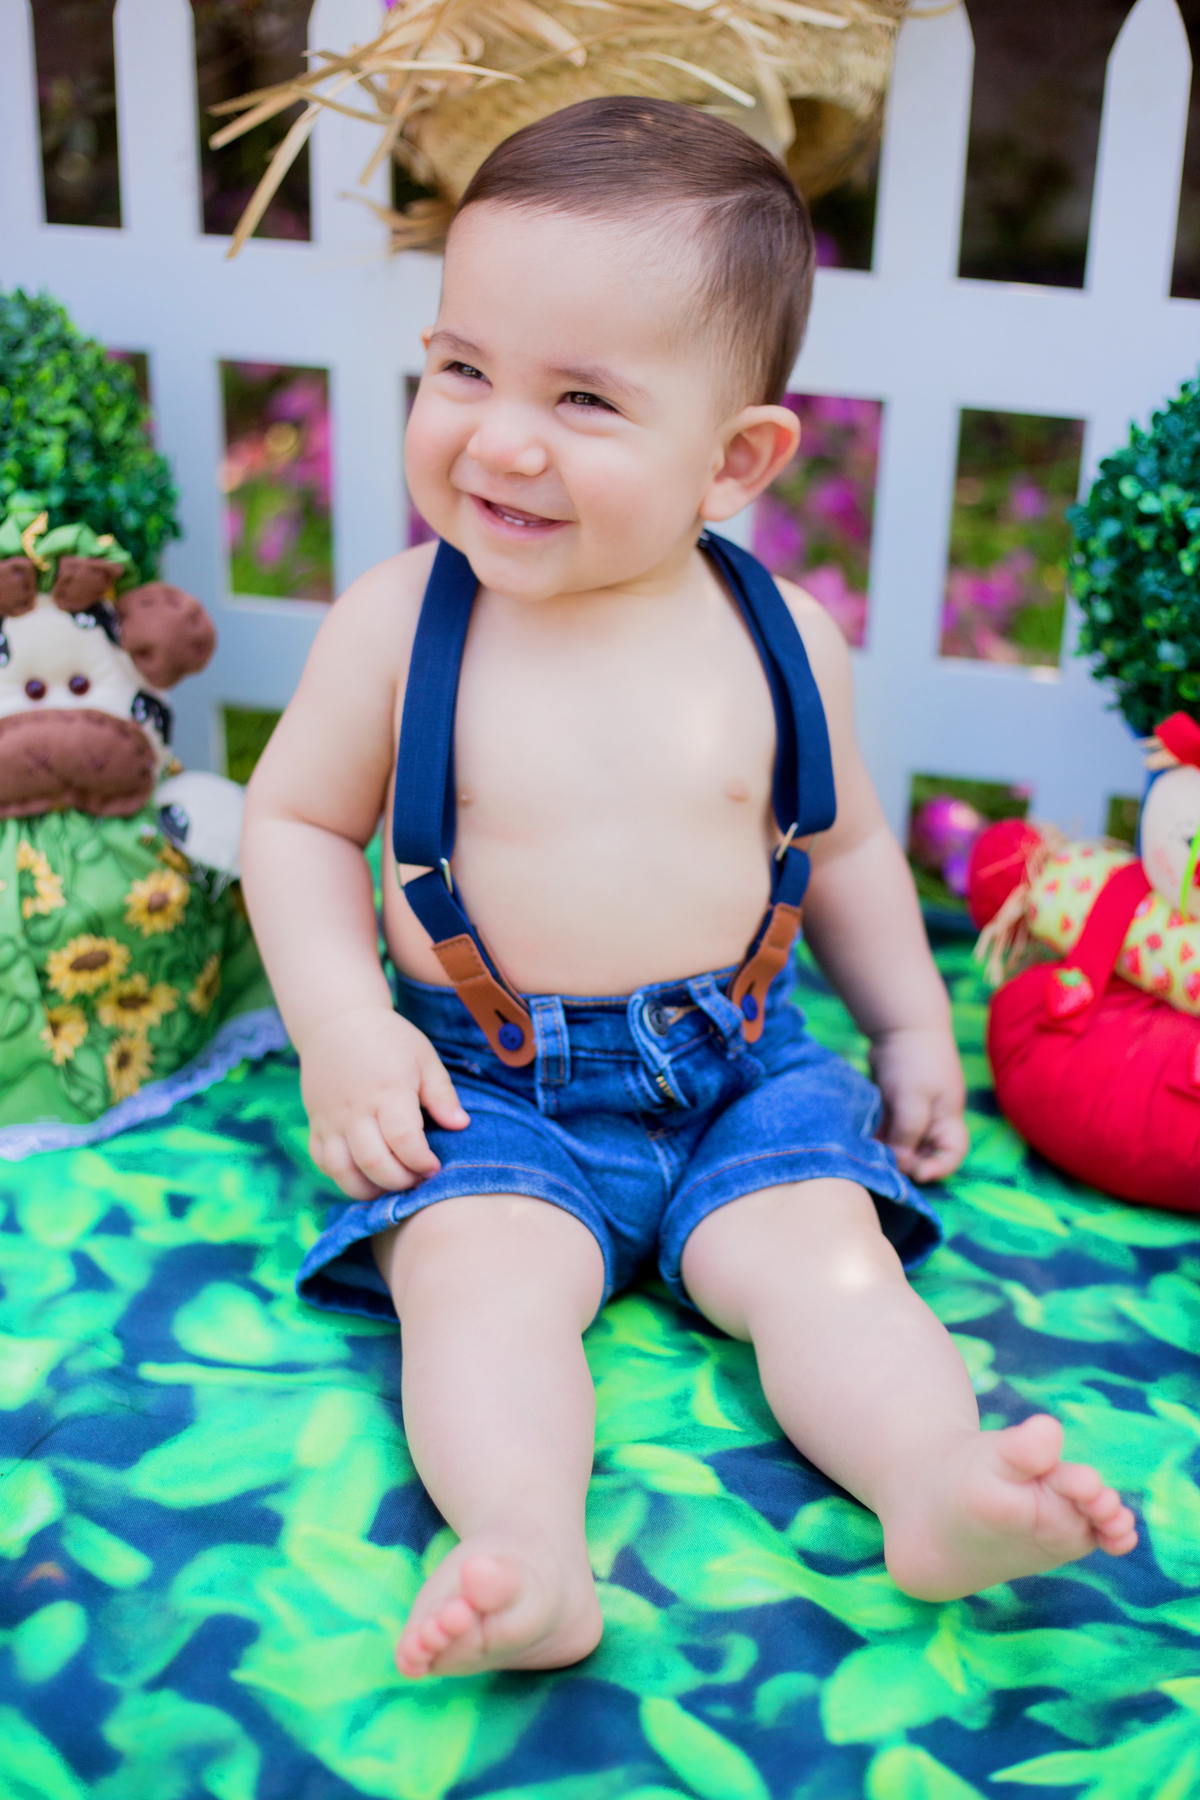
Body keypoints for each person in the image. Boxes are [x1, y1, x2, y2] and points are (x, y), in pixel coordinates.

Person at [241, 97, 1137, 1681]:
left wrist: (914, 1031)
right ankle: (521, 1544)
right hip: (480, 1086)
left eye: (583, 398)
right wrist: (339, 1026)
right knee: (479, 1294)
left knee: (835, 1277)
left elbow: (847, 846)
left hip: (739, 1070)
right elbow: (300, 828)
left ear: (736, 458)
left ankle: (933, 1485)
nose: (499, 437)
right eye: (463, 369)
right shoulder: (396, 624)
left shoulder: (786, 637)